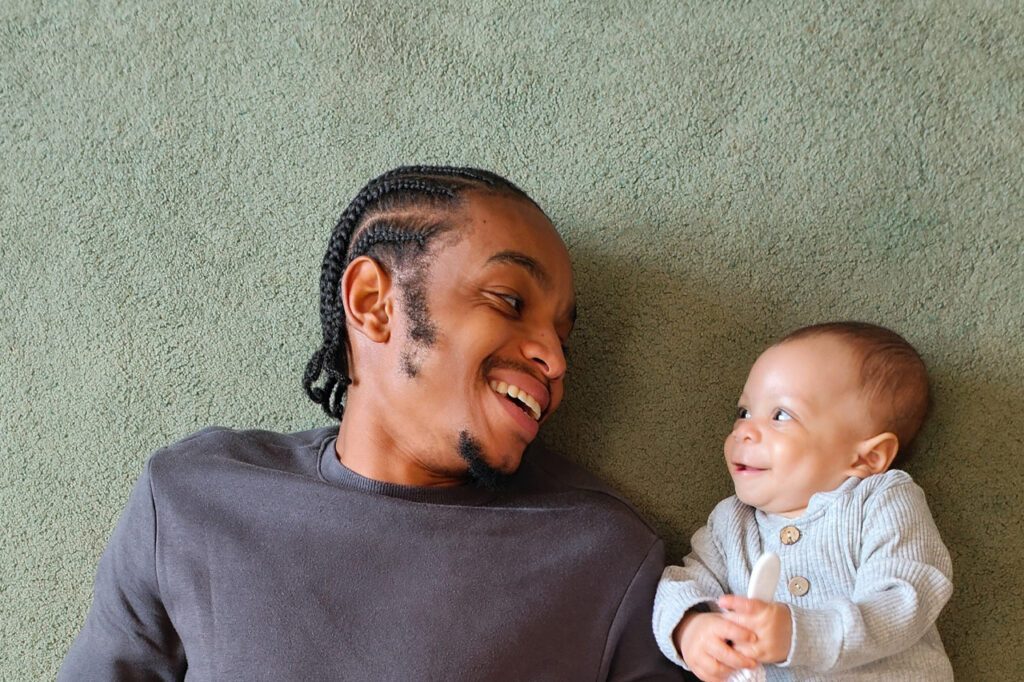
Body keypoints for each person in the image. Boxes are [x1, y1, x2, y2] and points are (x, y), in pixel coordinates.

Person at [60, 166, 685, 680]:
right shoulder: (189, 500)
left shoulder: (608, 559)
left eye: (564, 337)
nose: (552, 358)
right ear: (372, 303)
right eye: (510, 302)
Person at [652, 322, 954, 681]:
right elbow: (679, 585)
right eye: (744, 412)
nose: (743, 430)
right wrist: (690, 628)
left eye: (781, 415)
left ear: (867, 458)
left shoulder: (881, 501)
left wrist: (800, 633)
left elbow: (907, 598)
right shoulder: (730, 523)